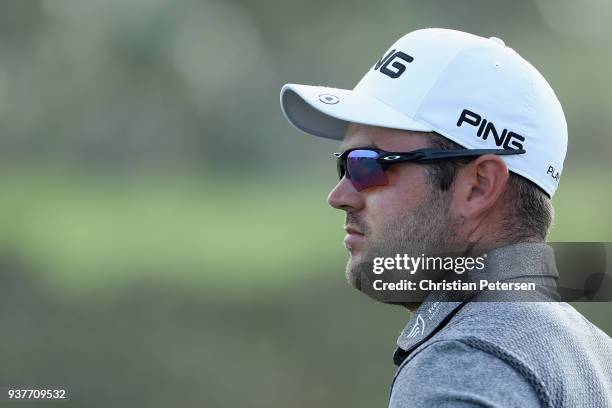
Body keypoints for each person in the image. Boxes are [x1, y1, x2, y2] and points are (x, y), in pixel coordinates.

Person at [279, 28, 612, 407]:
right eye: (344, 166)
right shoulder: (596, 357)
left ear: (479, 186)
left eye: (366, 165)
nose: (339, 197)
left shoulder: (460, 366)